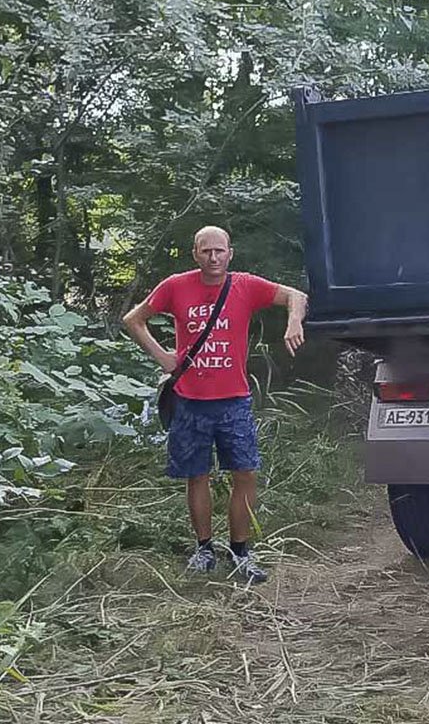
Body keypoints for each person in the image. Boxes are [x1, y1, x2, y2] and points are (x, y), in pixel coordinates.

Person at [122, 225, 308, 584]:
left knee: (246, 473)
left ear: (230, 253)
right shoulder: (176, 286)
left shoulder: (245, 285)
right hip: (190, 401)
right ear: (195, 254)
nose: (213, 257)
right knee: (197, 475)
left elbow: (295, 295)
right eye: (206, 251)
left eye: (219, 251)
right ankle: (204, 548)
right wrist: (163, 357)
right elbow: (134, 319)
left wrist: (293, 321)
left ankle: (240, 552)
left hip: (233, 400)